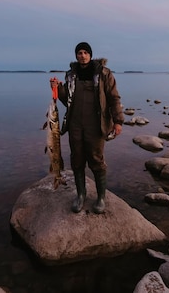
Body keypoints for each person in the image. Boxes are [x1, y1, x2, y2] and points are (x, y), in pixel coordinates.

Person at [49, 42, 124, 214]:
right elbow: (66, 99)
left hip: (96, 125)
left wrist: (118, 121)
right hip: (75, 124)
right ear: (76, 55)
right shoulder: (71, 75)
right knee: (77, 160)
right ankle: (81, 195)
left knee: (96, 160)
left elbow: (114, 98)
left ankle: (101, 197)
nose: (82, 55)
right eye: (79, 53)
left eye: (85, 52)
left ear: (90, 54)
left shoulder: (104, 74)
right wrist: (57, 88)